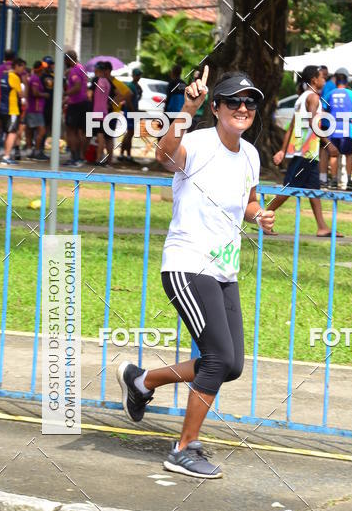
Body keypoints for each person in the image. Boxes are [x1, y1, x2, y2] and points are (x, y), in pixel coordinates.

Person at [116, 67, 275, 478]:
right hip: (188, 264)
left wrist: (260, 217)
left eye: (250, 102)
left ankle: (142, 380)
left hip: (224, 269)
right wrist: (187, 107)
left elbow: (250, 203)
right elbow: (165, 156)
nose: (243, 108)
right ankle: (185, 448)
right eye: (234, 102)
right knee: (218, 358)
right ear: (217, 107)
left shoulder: (251, 155)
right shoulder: (198, 142)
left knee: (231, 364)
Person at [270, 65, 341, 236]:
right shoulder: (313, 98)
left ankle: (322, 227)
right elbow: (312, 122)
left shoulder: (301, 98)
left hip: (306, 152)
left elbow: (291, 127)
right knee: (288, 188)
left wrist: (282, 150)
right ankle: (262, 217)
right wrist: (328, 144)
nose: (324, 79)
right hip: (306, 152)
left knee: (314, 191)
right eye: (322, 77)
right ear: (314, 80)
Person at [327, 68, 352, 188]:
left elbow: (325, 108)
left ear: (336, 81)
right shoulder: (351, 94)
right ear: (347, 81)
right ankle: (349, 181)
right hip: (346, 126)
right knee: (348, 154)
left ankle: (334, 180)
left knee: (333, 154)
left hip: (333, 126)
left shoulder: (330, 93)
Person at [0, 57, 26, 164]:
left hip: (4, 109)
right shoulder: (15, 77)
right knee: (12, 133)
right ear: (17, 66)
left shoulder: (4, 75)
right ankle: (6, 156)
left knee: (8, 132)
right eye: (22, 67)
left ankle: (6, 155)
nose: (23, 70)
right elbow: (21, 94)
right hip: (12, 109)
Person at [63, 50, 89, 167]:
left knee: (70, 131)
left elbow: (77, 87)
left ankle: (74, 158)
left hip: (75, 104)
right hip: (82, 103)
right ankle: (78, 158)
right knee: (78, 132)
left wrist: (65, 93)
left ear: (68, 59)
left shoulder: (74, 70)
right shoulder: (81, 67)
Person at [25, 60, 49, 159]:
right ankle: (37, 151)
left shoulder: (34, 78)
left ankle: (30, 150)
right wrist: (45, 95)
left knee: (30, 130)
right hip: (36, 109)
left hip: (33, 108)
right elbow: (35, 93)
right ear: (40, 69)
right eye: (43, 68)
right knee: (42, 131)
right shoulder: (35, 79)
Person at [90, 61, 111, 163]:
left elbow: (89, 95)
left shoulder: (96, 80)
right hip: (104, 111)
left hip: (95, 111)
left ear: (97, 70)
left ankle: (98, 158)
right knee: (101, 134)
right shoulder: (107, 82)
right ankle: (100, 158)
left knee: (99, 135)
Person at [120, 67, 143, 160]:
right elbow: (128, 100)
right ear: (133, 75)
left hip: (133, 111)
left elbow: (137, 98)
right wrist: (133, 112)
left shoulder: (137, 87)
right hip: (129, 111)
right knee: (129, 133)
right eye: (137, 75)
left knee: (130, 134)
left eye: (139, 75)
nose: (138, 77)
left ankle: (127, 154)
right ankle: (123, 153)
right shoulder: (130, 86)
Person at [41, 55, 55, 137]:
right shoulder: (40, 76)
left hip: (52, 104)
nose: (52, 66)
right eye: (50, 64)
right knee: (43, 125)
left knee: (50, 125)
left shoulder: (54, 76)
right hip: (43, 105)